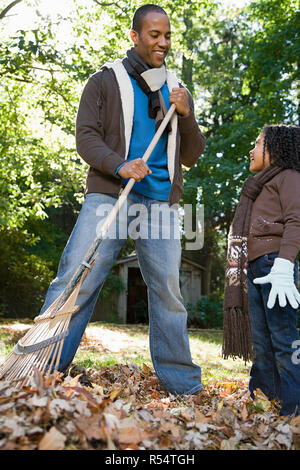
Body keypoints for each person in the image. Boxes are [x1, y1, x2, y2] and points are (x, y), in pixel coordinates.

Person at [39, 4, 206, 396]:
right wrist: (120, 166)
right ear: (135, 36)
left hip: (161, 203)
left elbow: (192, 154)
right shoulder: (105, 81)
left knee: (168, 290)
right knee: (77, 277)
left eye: (167, 36)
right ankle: (42, 368)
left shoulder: (177, 88)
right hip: (109, 195)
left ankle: (183, 385)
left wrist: (186, 115)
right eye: (154, 35)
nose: (163, 42)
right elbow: (86, 137)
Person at [223, 124, 300, 416]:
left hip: (274, 267)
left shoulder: (289, 177)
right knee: (261, 339)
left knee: (283, 336)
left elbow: (296, 220)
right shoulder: (257, 186)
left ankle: (294, 405)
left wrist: (284, 263)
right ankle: (264, 397)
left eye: (258, 143)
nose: (252, 149)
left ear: (276, 149)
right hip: (253, 268)